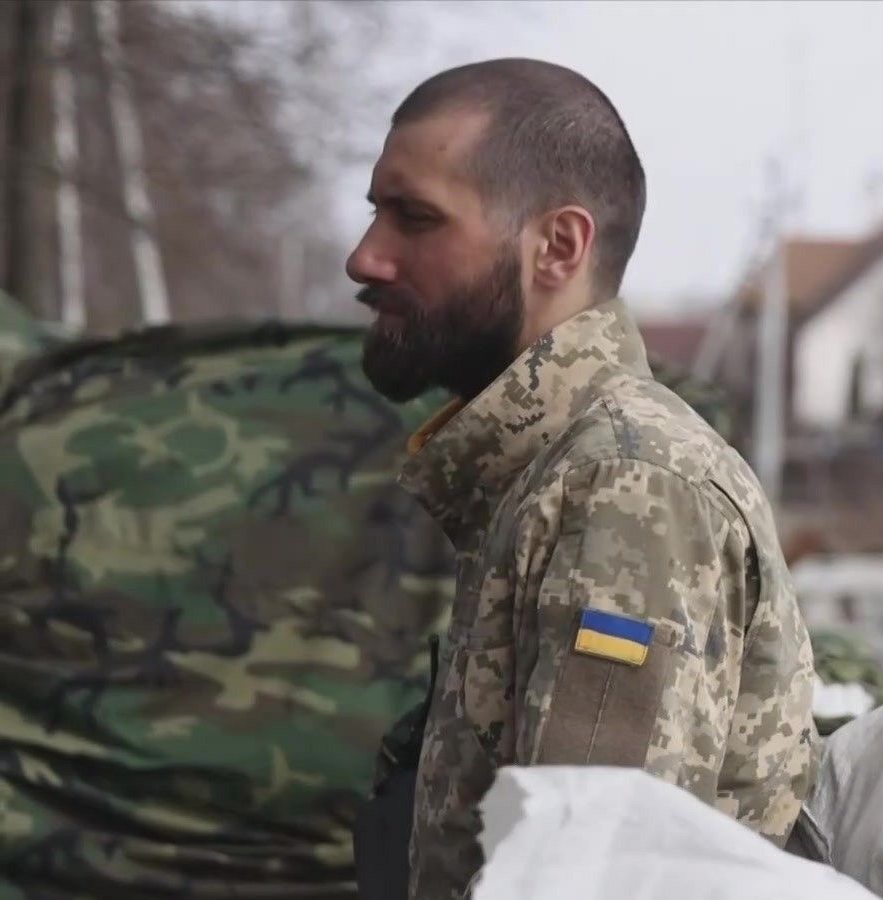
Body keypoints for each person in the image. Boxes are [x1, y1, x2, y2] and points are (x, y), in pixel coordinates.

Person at [344, 58, 816, 899]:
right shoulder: (549, 471)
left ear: (557, 246)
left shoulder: (625, 486)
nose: (366, 257)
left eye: (414, 218)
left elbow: (595, 882)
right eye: (375, 211)